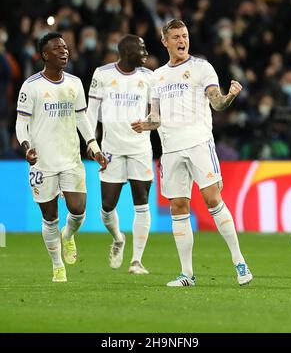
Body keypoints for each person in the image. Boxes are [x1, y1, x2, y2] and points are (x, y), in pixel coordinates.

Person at [132, 19, 253, 287]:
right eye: (174, 37)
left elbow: (218, 103)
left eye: (184, 35)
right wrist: (145, 125)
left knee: (212, 199)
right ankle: (187, 273)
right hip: (171, 149)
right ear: (165, 42)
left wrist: (230, 95)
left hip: (198, 143)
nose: (181, 41)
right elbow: (155, 117)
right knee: (178, 207)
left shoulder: (201, 68)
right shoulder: (157, 77)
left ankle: (239, 262)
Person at [16, 32, 108, 282]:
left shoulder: (75, 83)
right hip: (42, 161)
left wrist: (94, 146)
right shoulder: (31, 86)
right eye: (57, 48)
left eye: (65, 47)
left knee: (78, 210)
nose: (64, 51)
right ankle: (57, 265)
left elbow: (82, 118)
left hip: (70, 158)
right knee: (49, 216)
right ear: (45, 55)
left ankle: (68, 235)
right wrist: (27, 147)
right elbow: (21, 122)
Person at [87, 35, 153, 275]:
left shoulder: (149, 77)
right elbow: (91, 111)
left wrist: (147, 123)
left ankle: (137, 261)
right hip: (111, 148)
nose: (145, 53)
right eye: (141, 48)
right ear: (126, 51)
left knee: (142, 202)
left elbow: (157, 113)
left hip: (140, 148)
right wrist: (91, 142)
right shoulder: (103, 74)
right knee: (107, 206)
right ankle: (118, 238)